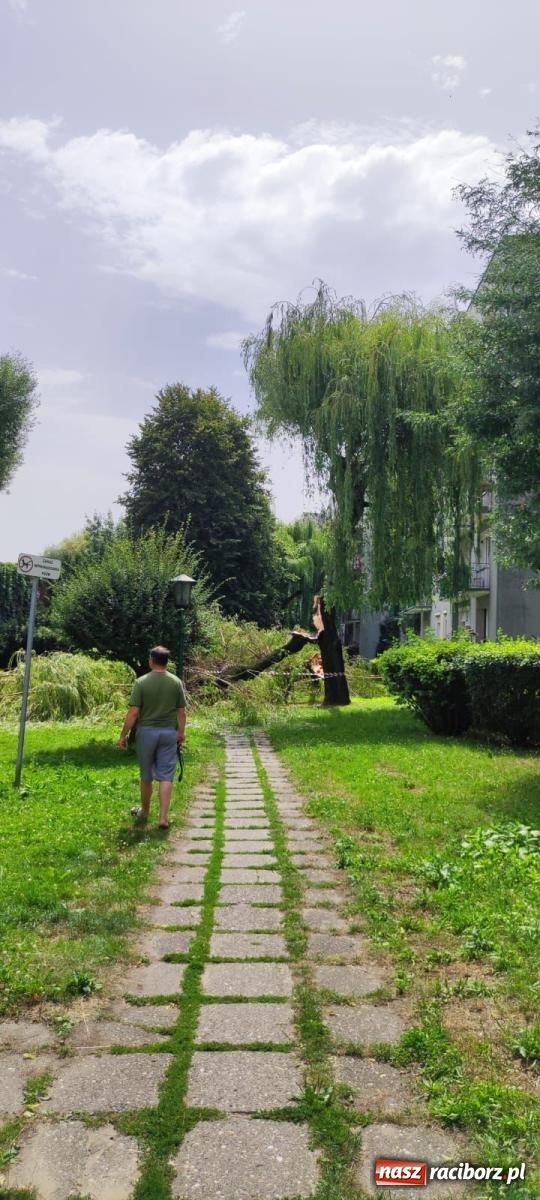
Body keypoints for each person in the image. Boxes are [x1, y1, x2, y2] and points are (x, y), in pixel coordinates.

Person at [117, 645, 186, 828]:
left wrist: (123, 735)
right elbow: (181, 712)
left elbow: (133, 713)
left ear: (151, 660)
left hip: (146, 732)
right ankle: (163, 818)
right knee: (166, 776)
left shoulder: (141, 682)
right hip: (168, 733)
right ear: (166, 662)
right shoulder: (176, 682)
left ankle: (145, 811)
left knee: (146, 775)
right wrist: (181, 732)